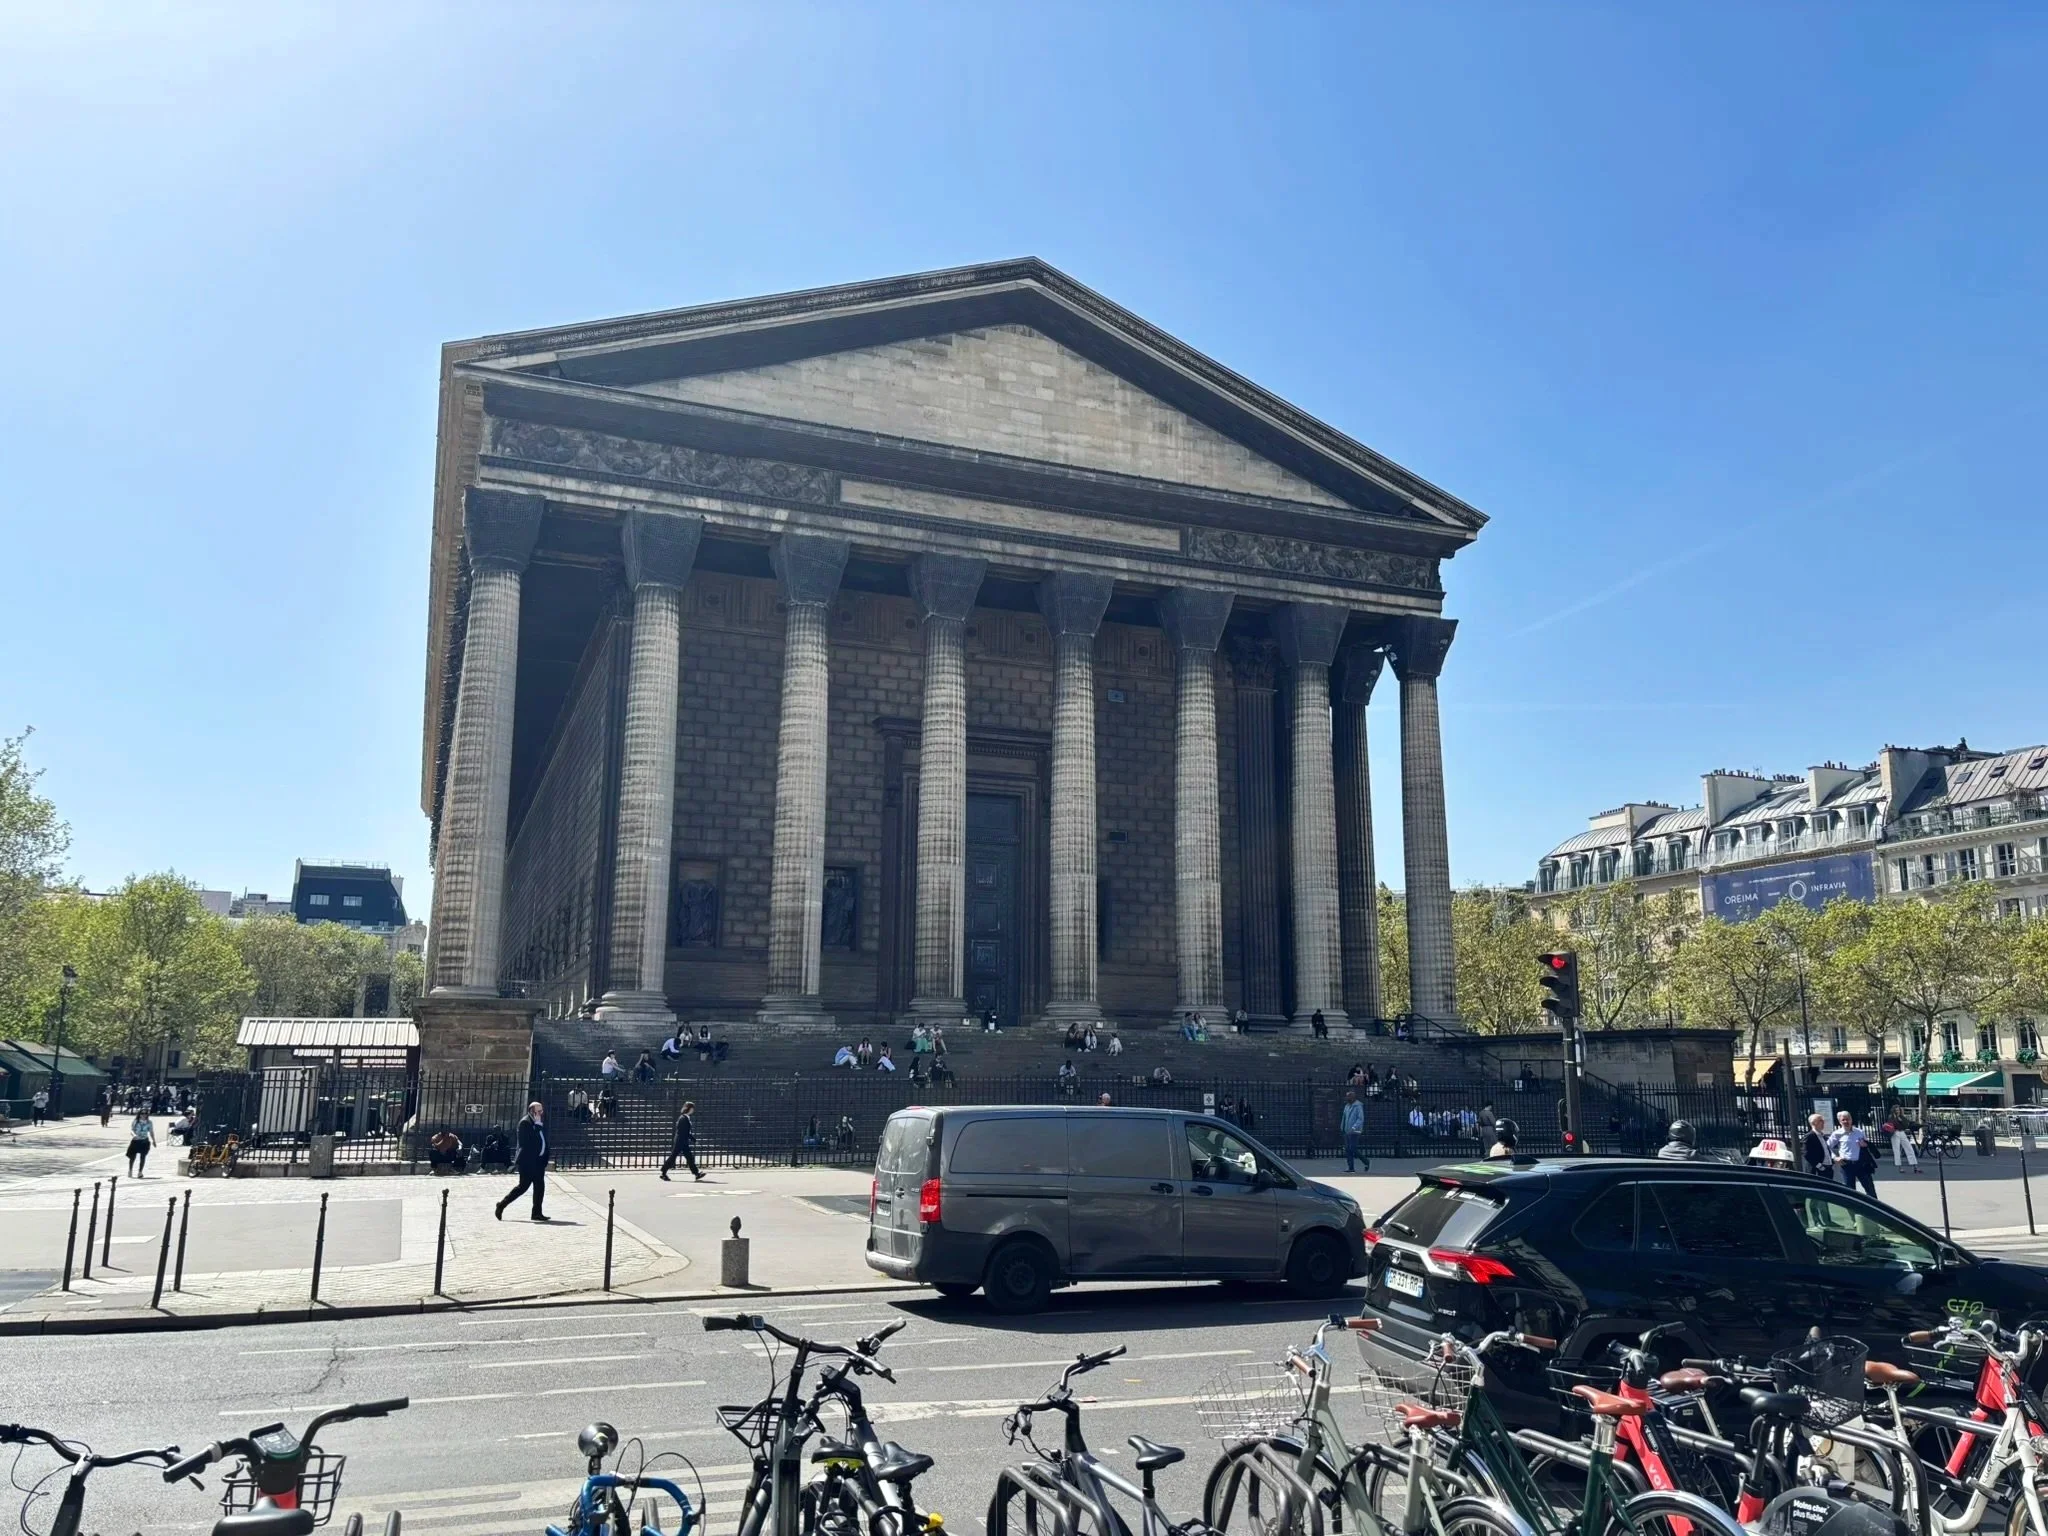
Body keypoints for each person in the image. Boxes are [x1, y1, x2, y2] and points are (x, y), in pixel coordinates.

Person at [496, 1102, 551, 1221]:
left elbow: (544, 1140)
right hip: (528, 1161)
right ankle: (501, 1205)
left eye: (542, 1110)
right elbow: (526, 1143)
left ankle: (536, 1213)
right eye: (539, 1111)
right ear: (532, 1111)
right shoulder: (525, 1123)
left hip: (539, 1162)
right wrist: (537, 1126)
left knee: (539, 1187)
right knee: (523, 1187)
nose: (541, 1113)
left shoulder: (539, 1123)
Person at [1831, 1111, 1876, 1197]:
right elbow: (1827, 1147)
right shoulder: (1837, 1134)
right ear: (1840, 1122)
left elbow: (1867, 1145)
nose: (1846, 1121)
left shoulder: (1859, 1132)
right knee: (1850, 1192)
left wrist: (1865, 1144)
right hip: (1847, 1165)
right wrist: (1835, 1157)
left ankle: (1876, 1208)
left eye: (1847, 1119)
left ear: (1851, 1120)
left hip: (1861, 1164)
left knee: (1870, 1189)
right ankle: (1852, 1209)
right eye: (1843, 1120)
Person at [661, 1100, 705, 1182]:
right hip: (680, 1142)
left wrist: (693, 1140)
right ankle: (663, 1172)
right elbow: (684, 1132)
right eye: (692, 1108)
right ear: (689, 1109)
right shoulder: (683, 1118)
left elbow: (686, 1132)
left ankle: (696, 1173)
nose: (693, 1110)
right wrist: (693, 1140)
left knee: (689, 1157)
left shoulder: (685, 1118)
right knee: (673, 1157)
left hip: (683, 1141)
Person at [1341, 1090, 1367, 1173]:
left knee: (1353, 1148)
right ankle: (1351, 1167)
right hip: (1347, 1130)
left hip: (1355, 1131)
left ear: (1353, 1097)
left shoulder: (1358, 1106)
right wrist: (1342, 1127)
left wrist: (1354, 1127)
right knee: (1348, 1149)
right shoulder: (1347, 1106)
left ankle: (1366, 1161)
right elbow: (1344, 1118)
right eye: (1347, 1096)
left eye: (1349, 1096)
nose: (1347, 1098)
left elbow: (1360, 1118)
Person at [1802, 1113, 1833, 1178]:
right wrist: (1819, 1166)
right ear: (1813, 1123)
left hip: (1828, 1168)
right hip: (1817, 1169)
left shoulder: (1823, 1136)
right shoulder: (1809, 1136)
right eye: (1820, 1120)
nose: (1823, 1122)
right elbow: (1806, 1153)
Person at [126, 1109, 156, 1176]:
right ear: (139, 1114)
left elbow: (151, 1132)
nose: (144, 1115)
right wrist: (134, 1135)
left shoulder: (149, 1122)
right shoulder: (136, 1121)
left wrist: (154, 1140)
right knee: (132, 1157)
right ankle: (130, 1170)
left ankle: (140, 1172)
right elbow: (132, 1130)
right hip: (136, 1141)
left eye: (145, 1113)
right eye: (142, 1113)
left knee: (143, 1157)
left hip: (144, 1141)